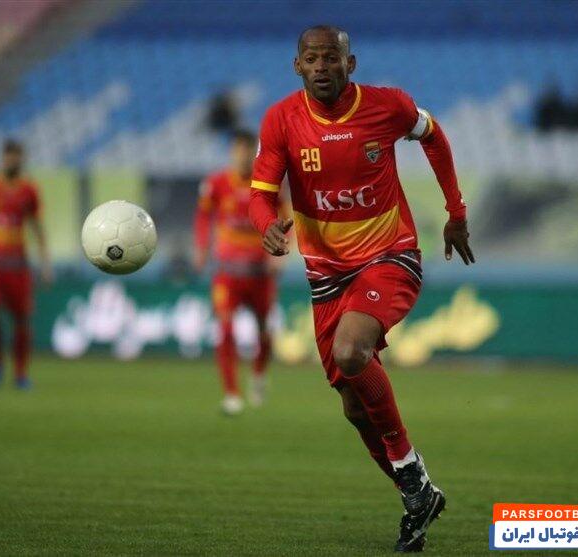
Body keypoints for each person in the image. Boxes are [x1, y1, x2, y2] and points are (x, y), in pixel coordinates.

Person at [247, 26, 474, 551]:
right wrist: (265, 225)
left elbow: (434, 136)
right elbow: (260, 194)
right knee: (354, 408)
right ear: (297, 66)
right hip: (326, 276)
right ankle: (418, 496)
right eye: (311, 58)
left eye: (331, 57)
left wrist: (456, 211)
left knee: (352, 351)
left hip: (389, 255)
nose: (321, 66)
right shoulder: (281, 119)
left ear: (351, 64)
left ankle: (411, 473)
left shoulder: (388, 106)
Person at [193, 130, 282, 415]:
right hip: (227, 273)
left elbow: (285, 218)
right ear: (232, 152)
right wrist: (201, 249)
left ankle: (258, 375)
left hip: (259, 274)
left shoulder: (267, 184)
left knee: (264, 331)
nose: (243, 156)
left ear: (255, 153)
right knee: (225, 329)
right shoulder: (216, 184)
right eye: (239, 150)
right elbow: (203, 217)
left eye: (248, 151)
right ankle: (231, 394)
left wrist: (278, 255)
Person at [0, 140, 53, 390]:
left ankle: (20, 372)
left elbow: (37, 227)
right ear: (2, 159)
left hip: (17, 266)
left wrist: (45, 263)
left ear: (22, 159)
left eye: (17, 157)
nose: (12, 161)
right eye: (9, 157)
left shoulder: (29, 190)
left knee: (21, 319)